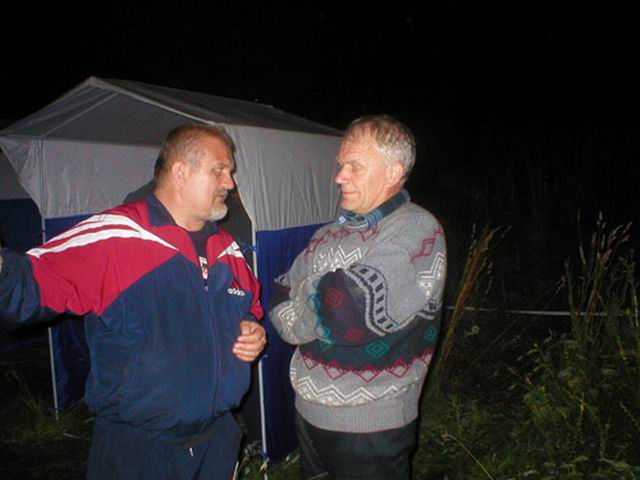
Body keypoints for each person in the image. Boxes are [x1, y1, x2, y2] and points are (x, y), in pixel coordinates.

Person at [0, 124, 267, 480]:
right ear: (181, 172)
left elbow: (250, 306)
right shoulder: (118, 236)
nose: (229, 183)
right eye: (219, 169)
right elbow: (23, 285)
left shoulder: (228, 248)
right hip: (139, 449)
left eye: (230, 172)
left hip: (216, 440)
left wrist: (253, 329)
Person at [270, 115, 447, 480]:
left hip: (372, 427)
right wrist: (319, 295)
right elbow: (277, 293)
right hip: (307, 413)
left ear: (393, 171)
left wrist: (308, 297)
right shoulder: (325, 235)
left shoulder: (417, 229)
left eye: (354, 166)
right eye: (340, 165)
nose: (339, 176)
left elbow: (347, 311)